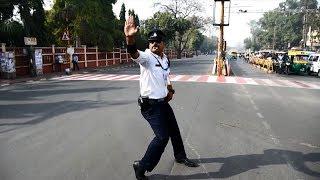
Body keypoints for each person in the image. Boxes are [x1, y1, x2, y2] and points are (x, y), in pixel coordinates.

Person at [124, 16, 199, 180]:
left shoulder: (165, 58)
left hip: (162, 103)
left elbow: (166, 76)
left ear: (163, 43)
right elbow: (134, 53)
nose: (154, 44)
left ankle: (180, 156)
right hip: (150, 106)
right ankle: (141, 166)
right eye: (151, 41)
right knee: (162, 137)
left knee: (174, 130)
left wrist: (170, 90)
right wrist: (130, 38)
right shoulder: (147, 58)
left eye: (157, 41)